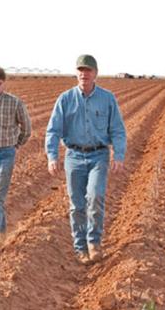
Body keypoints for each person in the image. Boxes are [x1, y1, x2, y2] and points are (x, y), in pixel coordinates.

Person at [45, 54, 127, 265]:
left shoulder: (107, 99)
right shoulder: (65, 99)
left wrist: (118, 155)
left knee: (96, 196)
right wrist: (52, 156)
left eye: (88, 70)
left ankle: (94, 242)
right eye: (81, 70)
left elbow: (117, 129)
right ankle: (80, 246)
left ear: (95, 74)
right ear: (76, 73)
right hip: (73, 156)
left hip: (99, 155)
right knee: (77, 204)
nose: (84, 74)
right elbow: (53, 130)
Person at [0, 66, 32, 249]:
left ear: (4, 84)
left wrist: (15, 145)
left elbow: (27, 128)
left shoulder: (14, 103)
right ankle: (2, 233)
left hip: (5, 154)